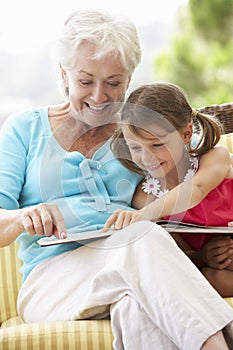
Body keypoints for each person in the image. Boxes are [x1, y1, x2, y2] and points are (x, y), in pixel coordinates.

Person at [0, 10, 232, 350]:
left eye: (113, 82)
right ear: (63, 73)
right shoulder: (24, 129)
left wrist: (208, 251)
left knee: (136, 310)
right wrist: (23, 217)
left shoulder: (141, 134)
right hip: (52, 281)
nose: (98, 96)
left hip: (136, 269)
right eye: (85, 81)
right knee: (140, 235)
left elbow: (196, 178)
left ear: (129, 78)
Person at [103, 82, 233, 298]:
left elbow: (197, 189)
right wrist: (204, 255)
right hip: (220, 266)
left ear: (186, 134)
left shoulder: (214, 158)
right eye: (135, 147)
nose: (146, 158)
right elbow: (181, 252)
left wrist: (144, 215)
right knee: (205, 278)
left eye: (157, 145)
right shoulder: (146, 197)